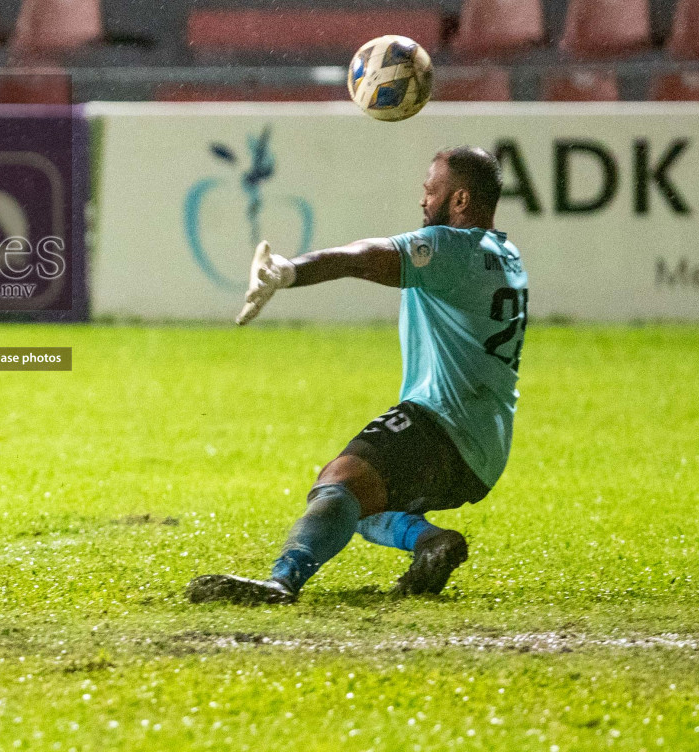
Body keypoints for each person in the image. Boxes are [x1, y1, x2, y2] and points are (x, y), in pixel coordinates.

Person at [189, 146, 528, 603]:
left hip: (443, 424)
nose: (424, 202)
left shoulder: (452, 248)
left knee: (339, 482)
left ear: (461, 200)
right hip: (485, 452)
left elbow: (363, 258)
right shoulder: (506, 255)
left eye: (432, 191)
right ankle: (431, 542)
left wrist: (290, 271)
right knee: (356, 504)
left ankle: (280, 583)